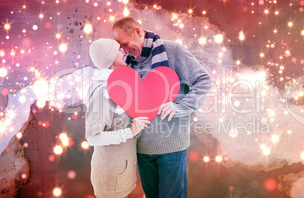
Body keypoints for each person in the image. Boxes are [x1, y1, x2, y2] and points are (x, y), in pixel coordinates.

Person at [112, 17, 213, 198]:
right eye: (121, 46)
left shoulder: (173, 50)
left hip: (171, 147)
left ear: (137, 31)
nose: (125, 51)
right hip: (142, 148)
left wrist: (180, 107)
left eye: (126, 44)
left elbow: (204, 81)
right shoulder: (127, 63)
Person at [85, 38, 150, 198]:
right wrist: (130, 131)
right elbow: (93, 137)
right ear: (109, 57)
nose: (124, 52)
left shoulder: (117, 85)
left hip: (120, 175)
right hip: (110, 179)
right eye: (118, 50)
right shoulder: (101, 91)